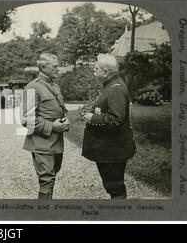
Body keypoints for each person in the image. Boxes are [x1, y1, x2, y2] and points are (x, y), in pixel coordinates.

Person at [81, 54, 136, 200]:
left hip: (113, 151)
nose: (93, 69)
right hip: (111, 150)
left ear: (106, 72)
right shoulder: (112, 85)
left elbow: (115, 119)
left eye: (96, 68)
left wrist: (93, 117)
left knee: (115, 188)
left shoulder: (115, 89)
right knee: (112, 186)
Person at [21, 53, 70, 199]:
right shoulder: (32, 87)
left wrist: (63, 121)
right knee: (46, 180)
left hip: (56, 142)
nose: (58, 69)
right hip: (41, 142)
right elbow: (26, 119)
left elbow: (57, 110)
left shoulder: (55, 85)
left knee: (52, 176)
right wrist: (52, 126)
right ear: (43, 67)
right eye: (54, 66)